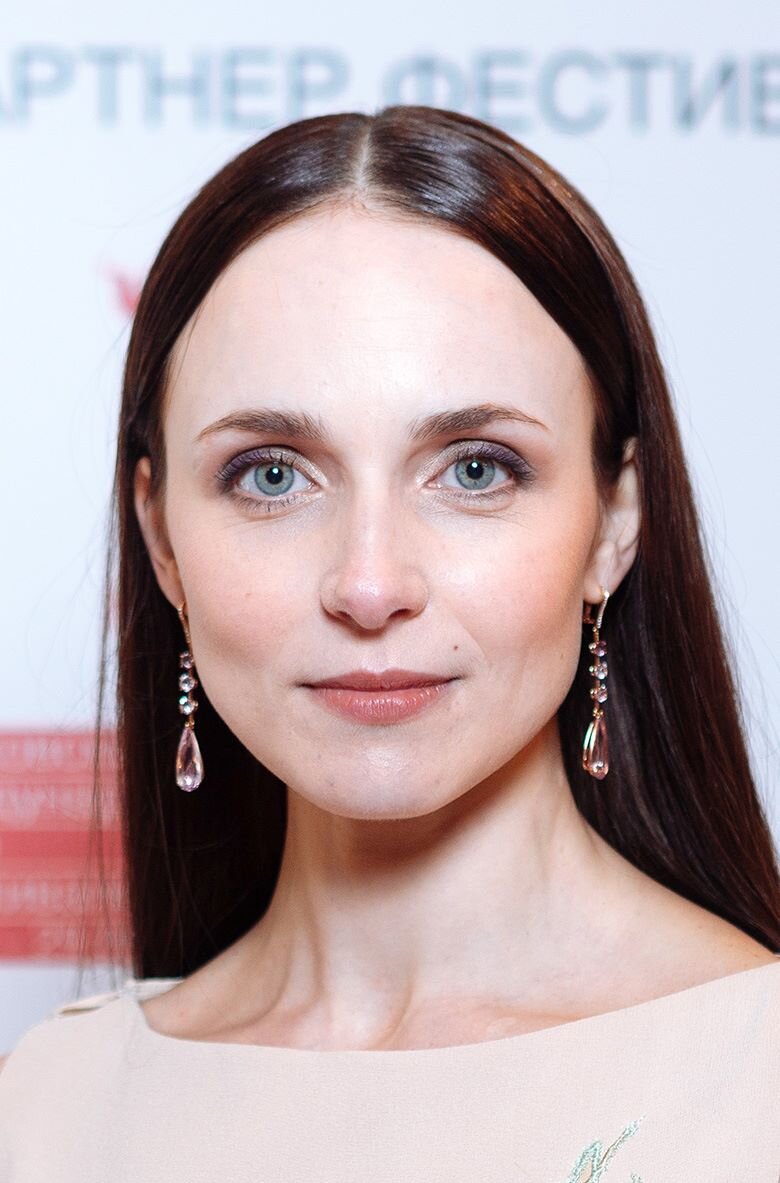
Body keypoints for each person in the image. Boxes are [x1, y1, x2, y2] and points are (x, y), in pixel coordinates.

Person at [0, 105, 777, 1180]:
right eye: (273, 474)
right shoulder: (47, 1109)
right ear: (162, 536)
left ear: (615, 522)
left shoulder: (756, 1071)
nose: (370, 586)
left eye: (476, 468)